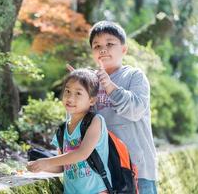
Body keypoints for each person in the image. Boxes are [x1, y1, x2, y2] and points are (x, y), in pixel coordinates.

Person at [81, 20, 157, 194]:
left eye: (110, 44)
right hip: (102, 171)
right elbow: (80, 123)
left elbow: (136, 109)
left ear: (124, 49)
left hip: (138, 169)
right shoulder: (89, 82)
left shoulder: (134, 76)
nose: (103, 49)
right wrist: (77, 91)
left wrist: (109, 85)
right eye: (97, 45)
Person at [27, 68, 111, 194]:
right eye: (67, 91)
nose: (70, 98)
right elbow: (62, 166)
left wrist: (47, 161)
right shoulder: (62, 130)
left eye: (78, 93)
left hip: (96, 191)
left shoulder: (95, 122)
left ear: (92, 100)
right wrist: (40, 166)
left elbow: (82, 154)